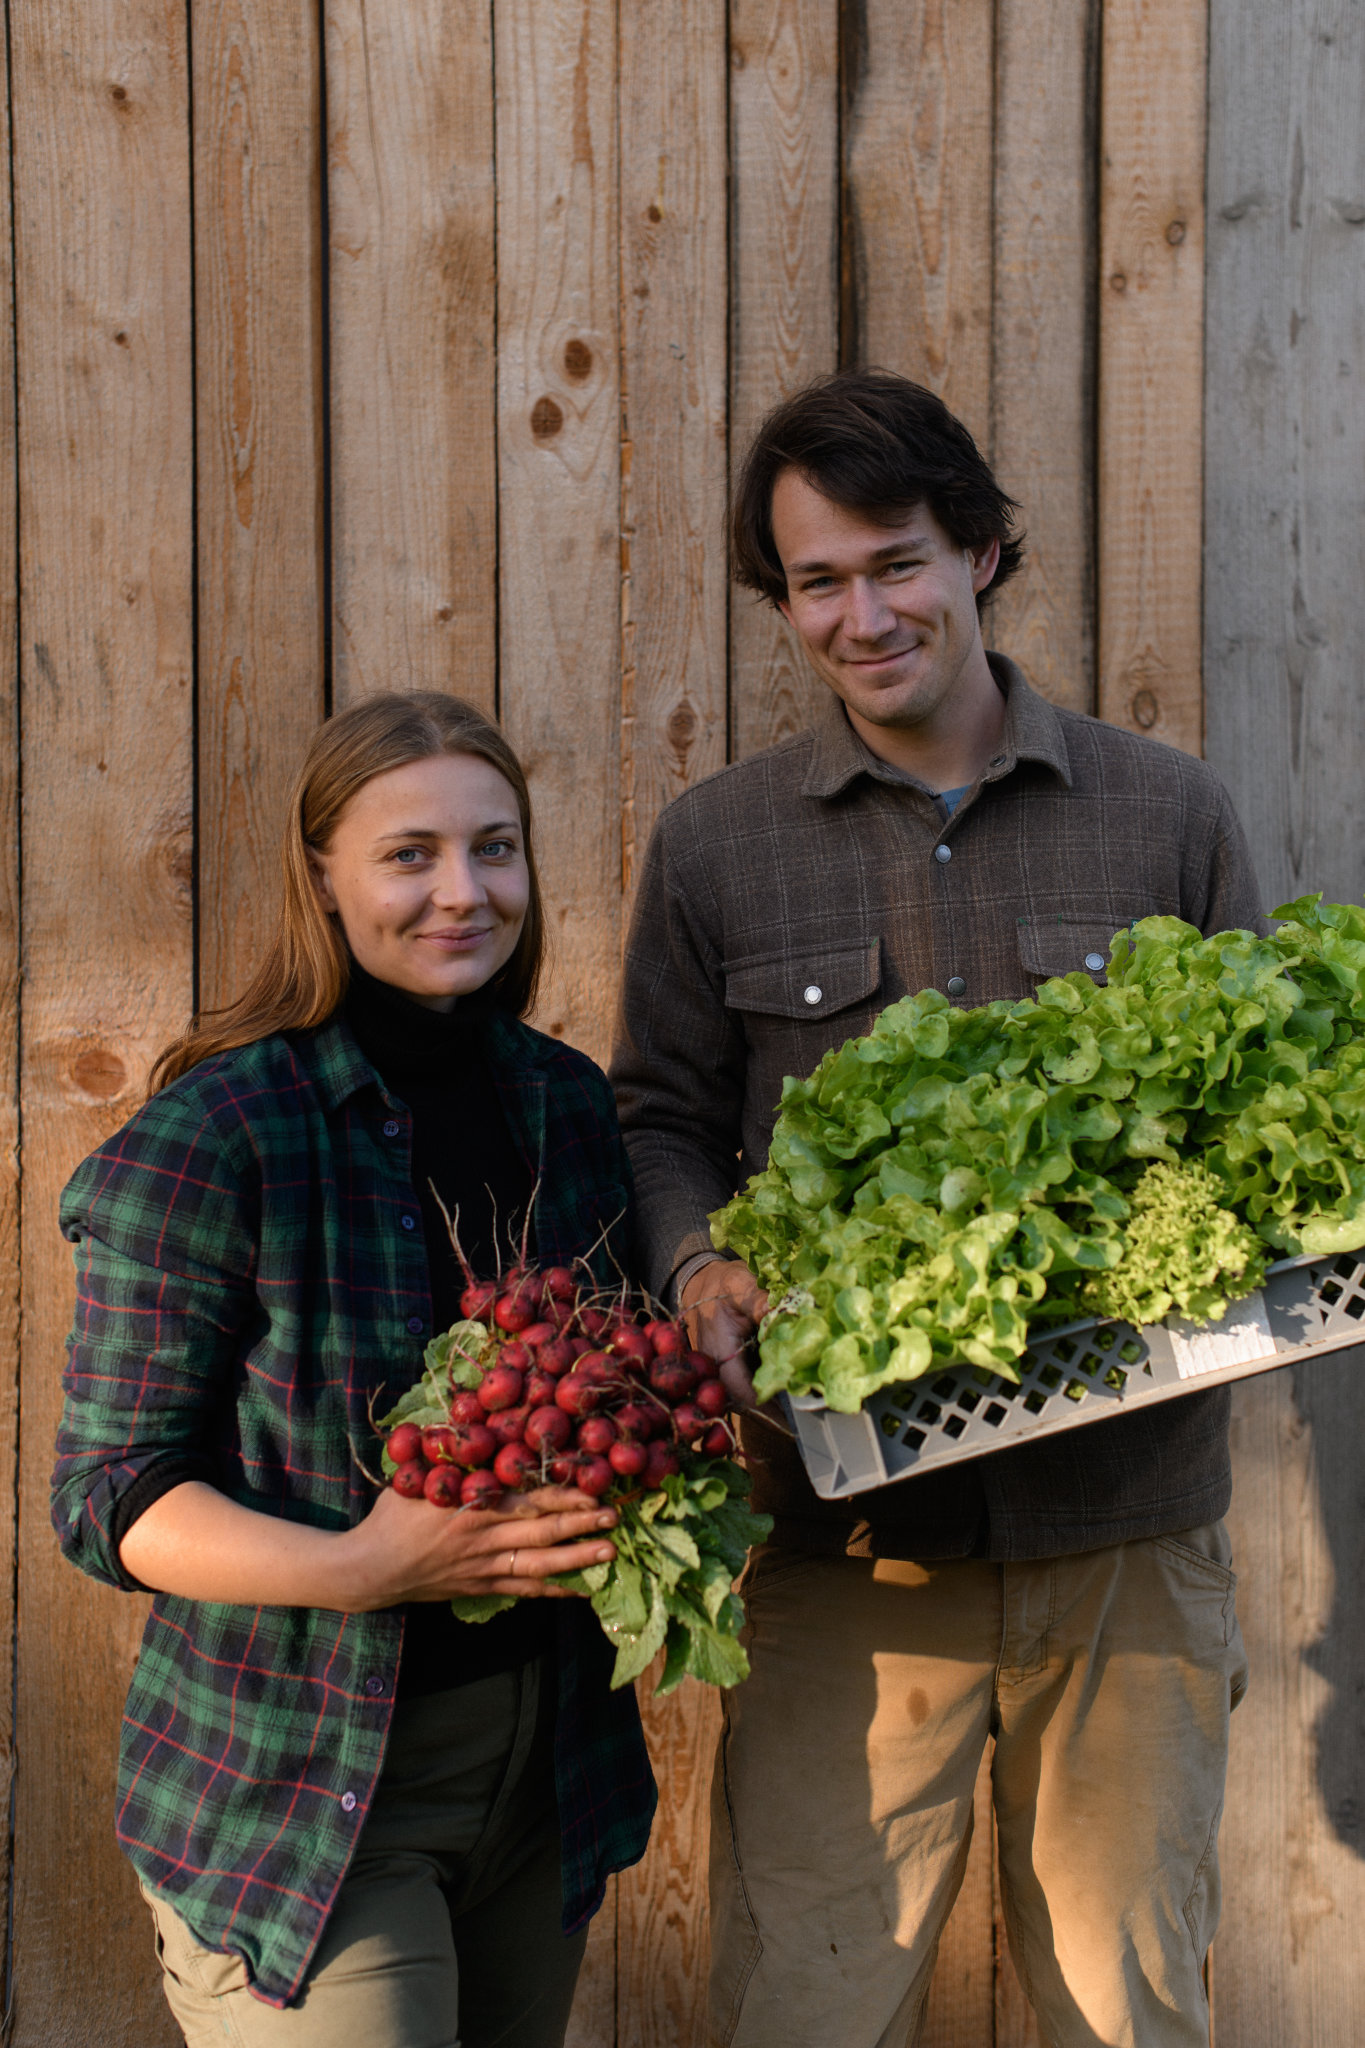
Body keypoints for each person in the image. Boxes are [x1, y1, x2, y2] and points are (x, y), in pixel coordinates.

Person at [611, 370, 1258, 2048]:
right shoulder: (716, 847)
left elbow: (1261, 1126)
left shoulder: (1164, 811)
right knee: (806, 2011)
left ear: (975, 550)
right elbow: (659, 1118)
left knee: (1128, 2012)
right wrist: (696, 1264)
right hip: (848, 1546)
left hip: (1123, 1529)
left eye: (893, 561)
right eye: (816, 581)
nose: (861, 612)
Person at [53, 692, 656, 2047]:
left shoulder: (559, 1101)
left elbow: (595, 1385)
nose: (464, 892)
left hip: (542, 1771)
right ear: (321, 877)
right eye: (410, 855)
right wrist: (367, 1567)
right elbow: (111, 1497)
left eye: (494, 849)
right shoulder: (223, 1130)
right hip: (304, 1788)